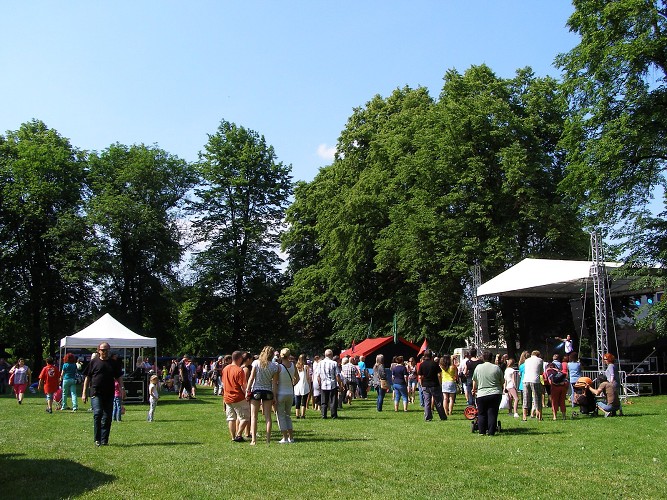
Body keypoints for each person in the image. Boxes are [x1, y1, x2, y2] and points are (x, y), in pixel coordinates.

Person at [82, 342, 124, 446]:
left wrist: (122, 389)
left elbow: (119, 377)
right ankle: (97, 439)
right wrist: (84, 392)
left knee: (107, 417)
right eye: (103, 350)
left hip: (109, 393)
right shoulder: (93, 362)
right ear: (98, 350)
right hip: (96, 392)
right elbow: (87, 377)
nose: (105, 352)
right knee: (98, 413)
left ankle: (104, 440)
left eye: (107, 350)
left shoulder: (113, 363)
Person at [246, 346, 280, 445]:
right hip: (268, 392)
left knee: (254, 416)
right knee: (268, 417)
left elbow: (251, 378)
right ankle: (268, 440)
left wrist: (248, 390)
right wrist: (274, 396)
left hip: (256, 391)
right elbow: (274, 383)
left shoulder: (256, 363)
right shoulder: (274, 366)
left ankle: (253, 440)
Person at [471, 350, 504, 436]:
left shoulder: (478, 367)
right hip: (495, 393)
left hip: (482, 393)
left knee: (481, 413)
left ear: (483, 358)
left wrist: (474, 389)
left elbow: (474, 380)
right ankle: (491, 432)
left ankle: (482, 431)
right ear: (492, 358)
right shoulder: (496, 368)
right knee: (492, 413)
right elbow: (502, 381)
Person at [222, 351, 250, 442]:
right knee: (245, 417)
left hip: (227, 397)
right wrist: (247, 395)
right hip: (238, 397)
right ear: (240, 358)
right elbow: (243, 386)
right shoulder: (239, 370)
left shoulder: (225, 368)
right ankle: (239, 435)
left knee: (231, 418)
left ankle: (233, 437)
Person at [276, 348, 298, 443]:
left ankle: (284, 437)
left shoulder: (279, 367)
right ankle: (291, 437)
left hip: (281, 393)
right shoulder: (293, 365)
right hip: (290, 393)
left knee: (280, 416)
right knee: (288, 415)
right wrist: (292, 385)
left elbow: (275, 381)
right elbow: (297, 378)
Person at [417, 350, 447, 421]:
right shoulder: (435, 364)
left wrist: (421, 384)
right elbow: (439, 374)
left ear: (424, 356)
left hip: (425, 385)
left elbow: (420, 376)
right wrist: (440, 383)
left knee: (427, 402)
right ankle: (442, 416)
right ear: (431, 356)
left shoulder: (422, 364)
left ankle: (428, 417)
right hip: (434, 385)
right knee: (438, 402)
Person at [317, 349, 342, 419]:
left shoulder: (320, 363)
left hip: (323, 384)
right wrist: (340, 384)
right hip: (332, 384)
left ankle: (323, 415)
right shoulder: (334, 363)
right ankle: (333, 415)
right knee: (333, 401)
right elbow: (337, 375)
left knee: (323, 401)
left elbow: (318, 376)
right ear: (331, 355)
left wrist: (319, 384)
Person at [522, 350, 544, 421]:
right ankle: (539, 416)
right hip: (535, 380)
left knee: (526, 398)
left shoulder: (527, 360)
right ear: (538, 355)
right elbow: (541, 372)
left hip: (526, 380)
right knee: (537, 398)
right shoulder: (540, 360)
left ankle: (524, 417)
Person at [294, 354, 310, 419]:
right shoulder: (306, 367)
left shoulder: (296, 366)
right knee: (304, 400)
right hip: (304, 384)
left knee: (297, 400)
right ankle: (303, 414)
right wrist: (309, 384)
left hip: (297, 385)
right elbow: (308, 377)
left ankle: (297, 414)